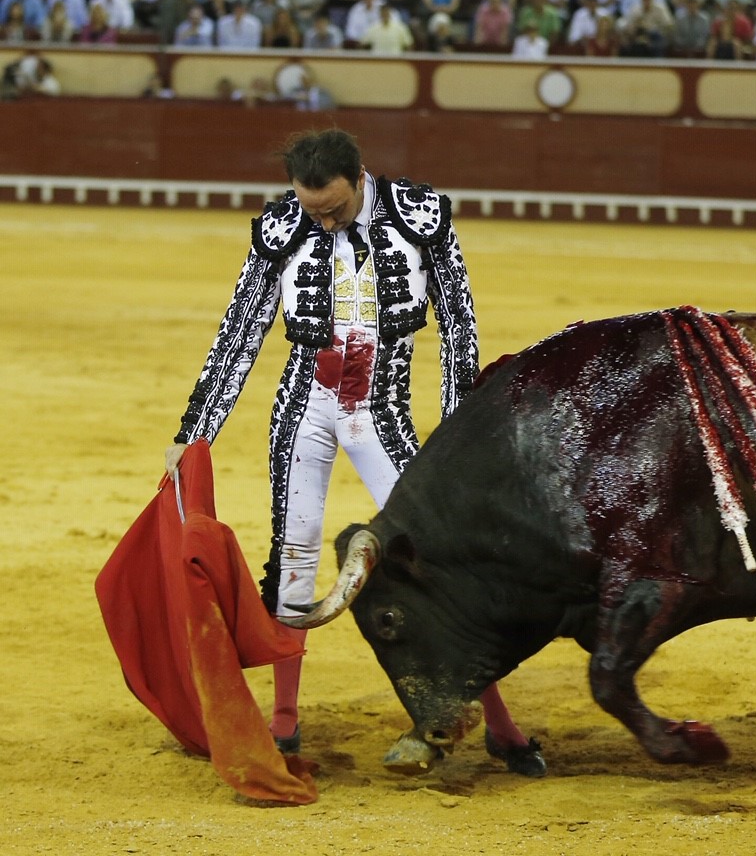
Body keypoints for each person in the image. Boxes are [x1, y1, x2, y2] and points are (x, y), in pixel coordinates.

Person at [163, 129, 545, 777]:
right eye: (312, 210)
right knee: (295, 549)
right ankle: (284, 724)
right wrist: (193, 431)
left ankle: (501, 727)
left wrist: (455, 432)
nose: (323, 221)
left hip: (382, 413)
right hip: (303, 408)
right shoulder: (282, 226)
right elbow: (240, 332)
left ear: (359, 177)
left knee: (435, 560)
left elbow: (460, 326)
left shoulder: (420, 215)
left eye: (334, 209)